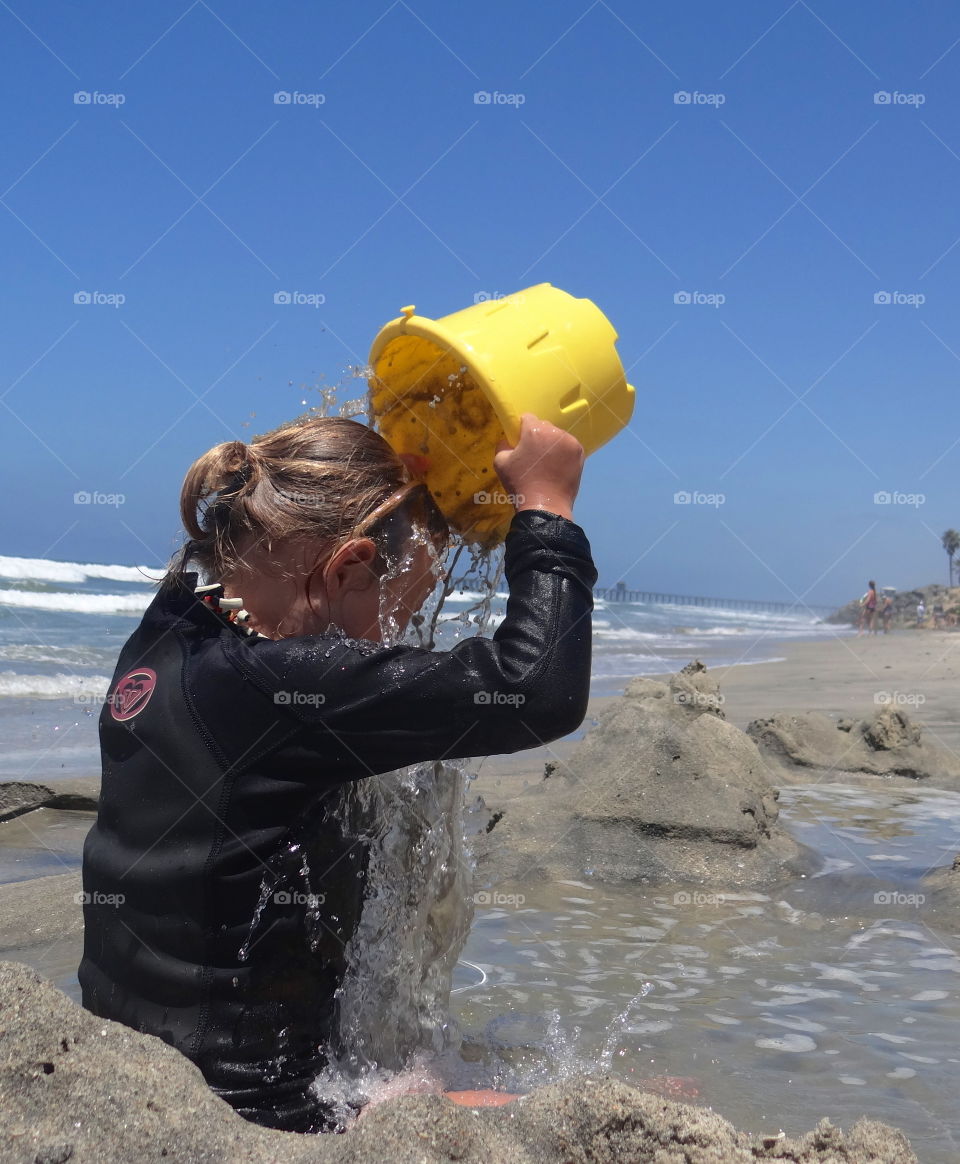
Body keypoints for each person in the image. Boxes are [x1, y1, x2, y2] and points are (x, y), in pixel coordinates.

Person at [78, 412, 595, 1134]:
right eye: (400, 610)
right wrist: (547, 511)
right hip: (255, 1109)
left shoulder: (173, 623)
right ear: (348, 567)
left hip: (124, 1046)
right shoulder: (286, 688)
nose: (395, 642)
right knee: (550, 1109)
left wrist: (425, 489)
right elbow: (537, 689)